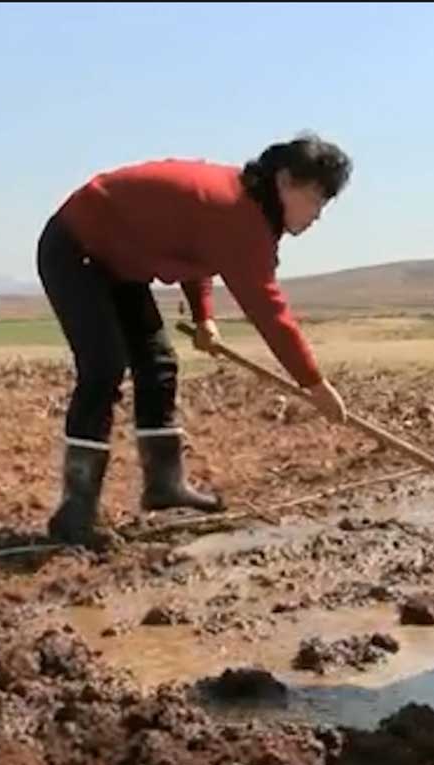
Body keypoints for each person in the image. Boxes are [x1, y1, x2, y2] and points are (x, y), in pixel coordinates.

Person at [37, 134, 352, 550]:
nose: (317, 215)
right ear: (286, 181)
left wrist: (204, 316)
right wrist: (313, 383)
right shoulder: (235, 212)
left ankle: (164, 485)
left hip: (115, 262)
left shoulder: (239, 206)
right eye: (315, 199)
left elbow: (194, 250)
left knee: (159, 364)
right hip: (77, 249)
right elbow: (269, 313)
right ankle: (75, 513)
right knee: (103, 368)